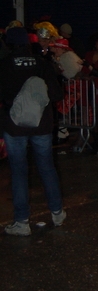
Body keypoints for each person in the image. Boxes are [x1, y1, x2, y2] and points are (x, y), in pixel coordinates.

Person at [0, 27, 66, 236]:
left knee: (19, 171)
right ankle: (57, 212)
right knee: (47, 167)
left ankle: (22, 221)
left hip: (15, 126)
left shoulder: (4, 65)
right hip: (42, 125)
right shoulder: (42, 63)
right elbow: (56, 94)